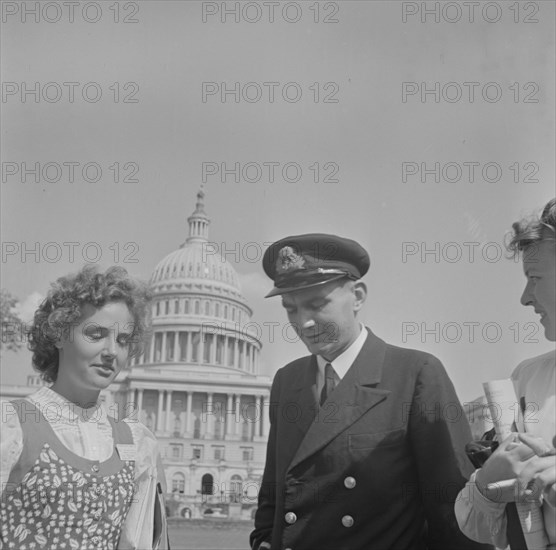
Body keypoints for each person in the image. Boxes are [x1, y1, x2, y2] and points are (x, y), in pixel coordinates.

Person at [250, 233, 490, 550]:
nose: (304, 323)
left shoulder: (415, 374)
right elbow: (273, 493)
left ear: (358, 296)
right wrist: (264, 540)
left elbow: (454, 510)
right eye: (291, 309)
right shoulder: (287, 380)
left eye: (317, 304)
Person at [0, 265, 169, 550]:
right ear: (58, 335)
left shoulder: (137, 443)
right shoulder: (12, 427)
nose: (111, 352)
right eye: (96, 334)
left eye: (123, 340)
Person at [455, 198, 556, 549]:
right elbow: (478, 527)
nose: (525, 298)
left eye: (535, 278)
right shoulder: (527, 379)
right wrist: (487, 486)